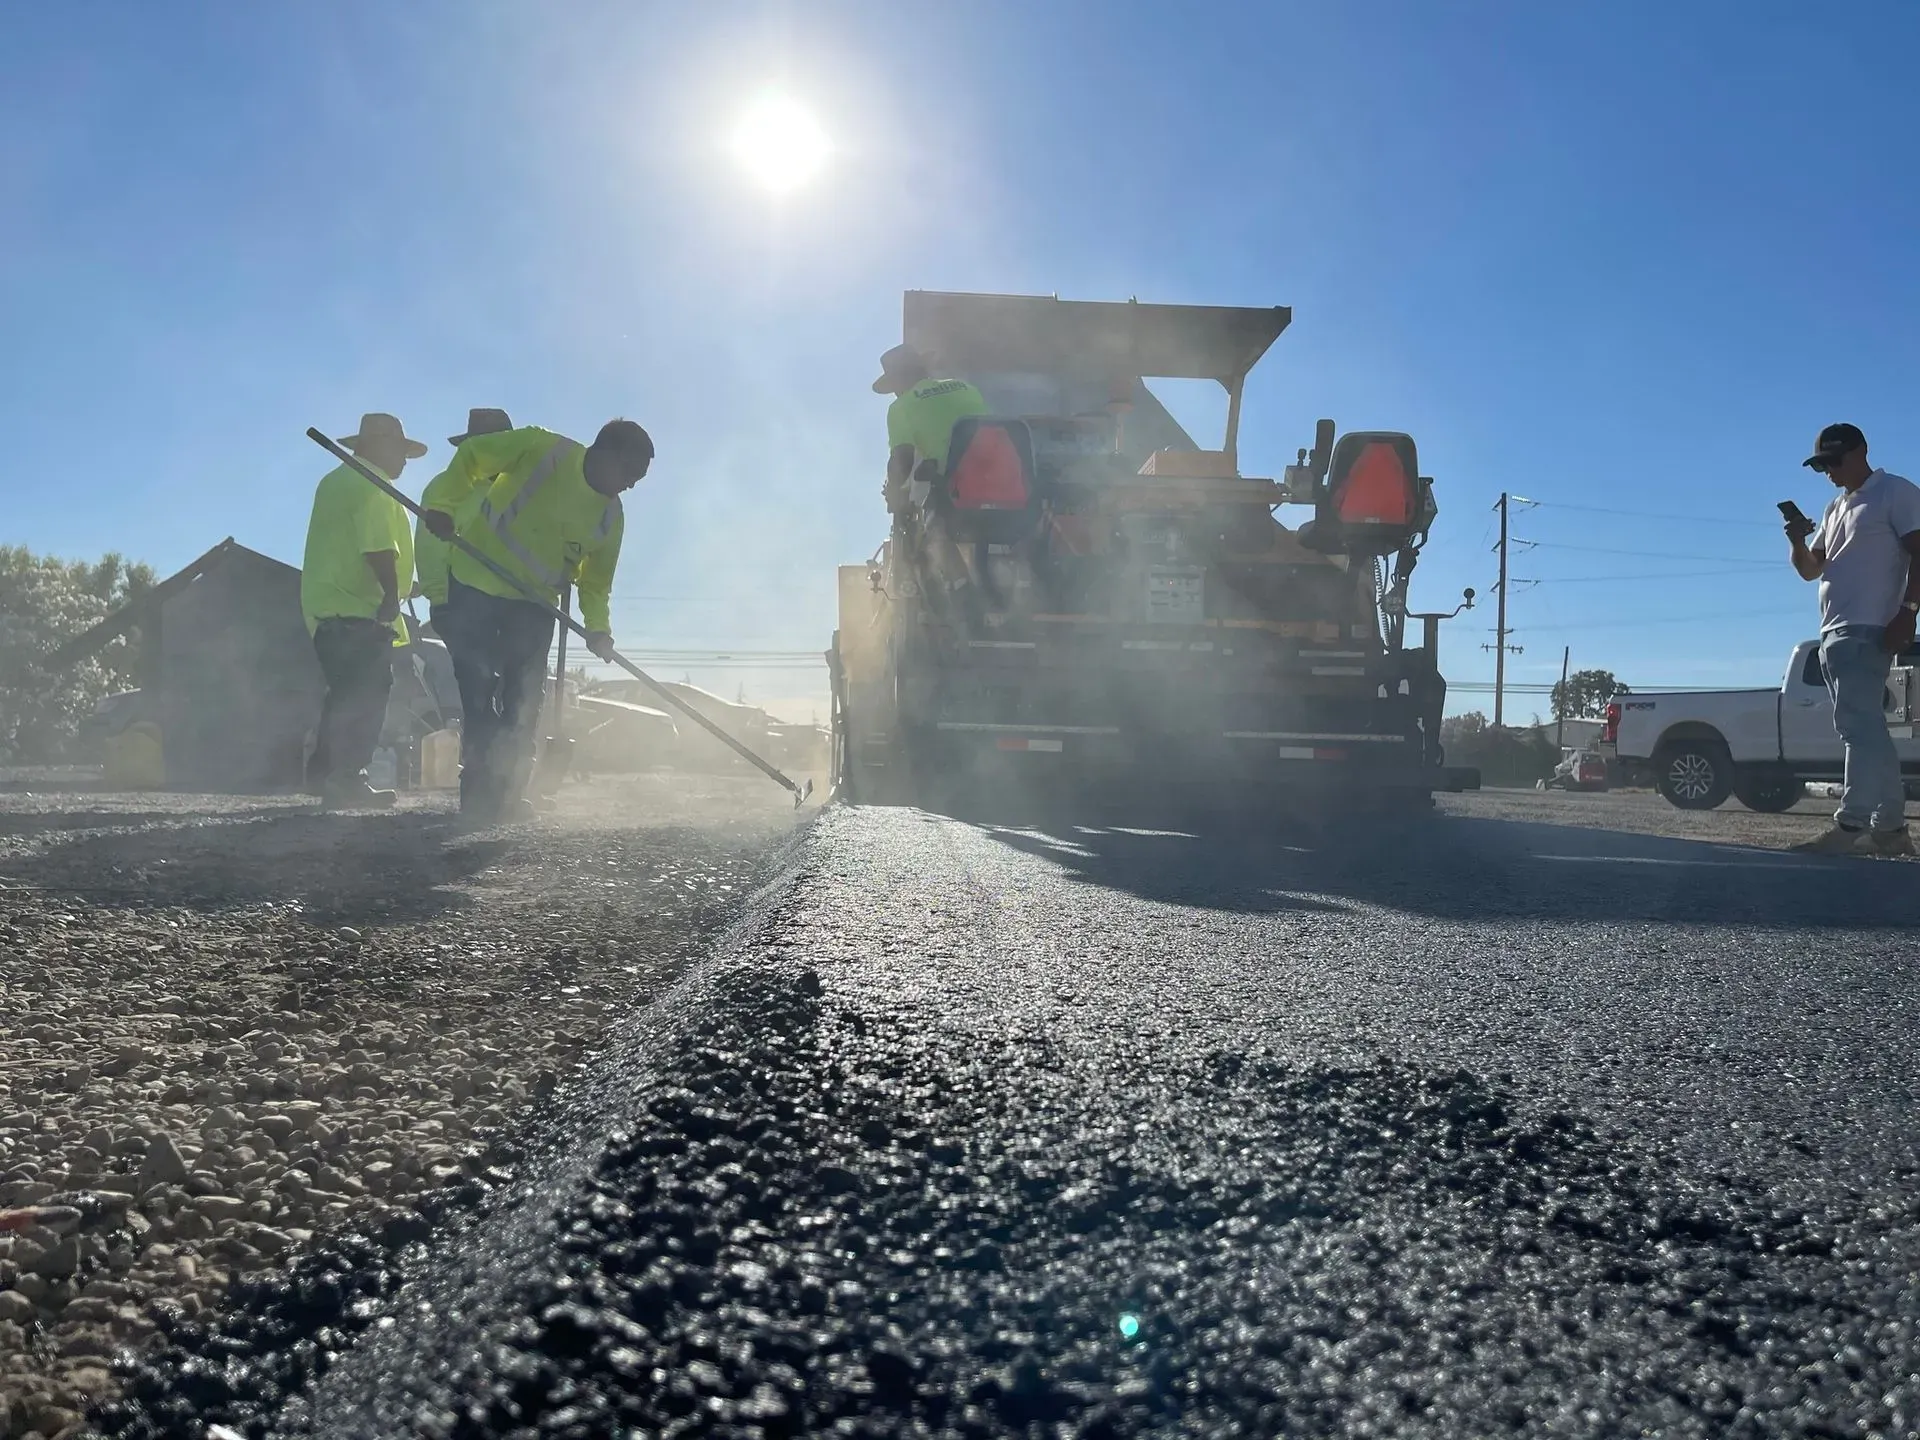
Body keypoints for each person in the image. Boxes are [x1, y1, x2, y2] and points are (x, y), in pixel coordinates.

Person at [419, 418, 652, 820]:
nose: (631, 485)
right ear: (605, 452)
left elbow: (595, 584)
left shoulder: (611, 518)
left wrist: (599, 629)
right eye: (630, 472)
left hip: (534, 604)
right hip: (475, 584)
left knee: (523, 701)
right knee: (478, 691)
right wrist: (442, 505)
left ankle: (509, 796)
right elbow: (471, 457)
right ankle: (477, 796)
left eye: (638, 479)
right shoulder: (542, 449)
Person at [1786, 422, 1920, 855]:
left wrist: (1909, 612)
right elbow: (1811, 569)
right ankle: (1890, 830)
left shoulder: (1895, 492)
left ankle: (1852, 825)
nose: (1828, 471)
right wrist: (1796, 541)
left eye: (1834, 461)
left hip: (1868, 627)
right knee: (1865, 728)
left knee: (1857, 728)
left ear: (1861, 451)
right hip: (1833, 631)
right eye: (1821, 465)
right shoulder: (1834, 508)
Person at [299, 412, 424, 809]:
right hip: (359, 608)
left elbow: (348, 545)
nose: (404, 461)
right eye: (400, 452)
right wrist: (391, 594)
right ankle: (347, 778)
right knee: (368, 692)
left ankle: (324, 776)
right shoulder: (373, 484)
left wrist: (403, 586)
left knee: (344, 692)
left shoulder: (334, 482)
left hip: (325, 606)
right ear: (378, 448)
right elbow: (377, 547)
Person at [416, 407, 513, 633]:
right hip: (459, 605)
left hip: (513, 607)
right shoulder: (444, 487)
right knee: (475, 667)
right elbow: (430, 548)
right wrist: (442, 600)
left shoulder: (518, 488)